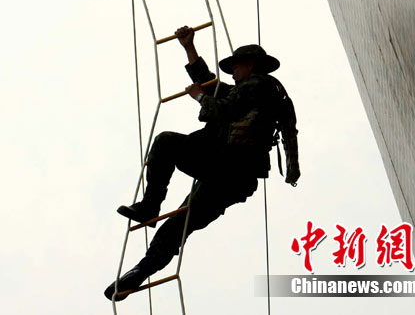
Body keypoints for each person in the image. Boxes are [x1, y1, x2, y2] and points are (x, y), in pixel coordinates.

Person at [104, 25, 300, 301]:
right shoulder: (254, 93)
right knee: (178, 226)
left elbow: (221, 106)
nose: (233, 72)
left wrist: (199, 97)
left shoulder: (258, 86)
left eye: (236, 66)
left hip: (227, 165)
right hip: (232, 180)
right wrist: (189, 47)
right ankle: (139, 273)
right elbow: (211, 84)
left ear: (250, 65)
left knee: (165, 143)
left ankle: (150, 206)